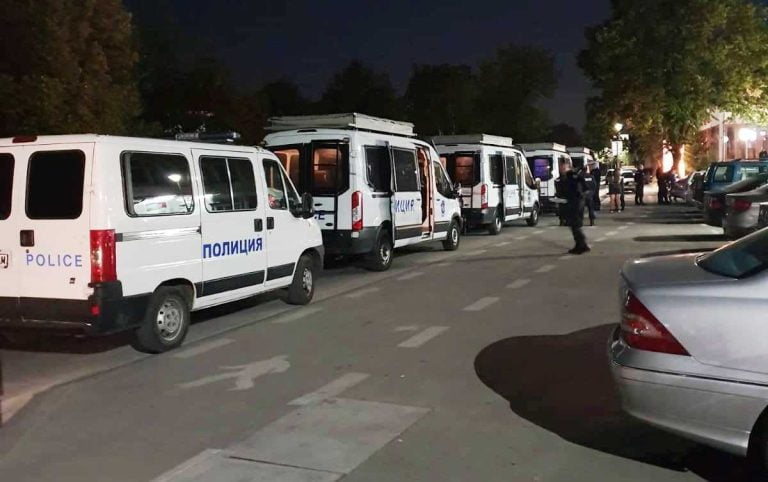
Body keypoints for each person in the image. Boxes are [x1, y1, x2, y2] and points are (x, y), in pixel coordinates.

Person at [563, 166, 590, 254]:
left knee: (574, 225)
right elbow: (586, 190)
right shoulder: (578, 178)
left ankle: (581, 245)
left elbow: (568, 191)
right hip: (578, 203)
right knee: (575, 225)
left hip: (574, 203)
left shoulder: (571, 178)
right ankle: (581, 244)